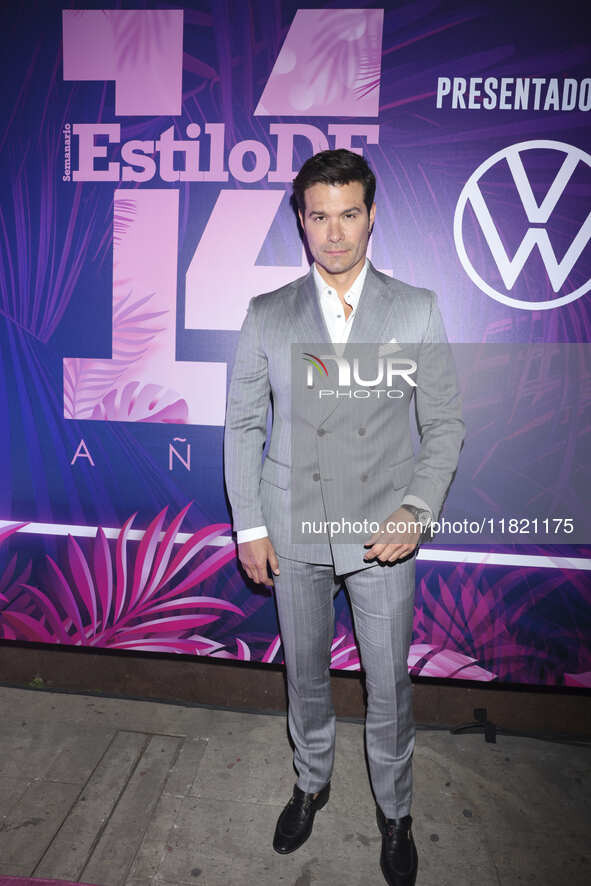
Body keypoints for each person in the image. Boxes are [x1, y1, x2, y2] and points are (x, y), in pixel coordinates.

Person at [224, 149, 464, 886]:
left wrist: (415, 510)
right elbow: (241, 426)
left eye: (348, 214)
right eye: (318, 215)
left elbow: (446, 423)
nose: (334, 233)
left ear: (370, 216)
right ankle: (311, 783)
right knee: (305, 676)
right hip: (293, 526)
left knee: (387, 684)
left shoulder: (414, 307)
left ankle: (395, 814)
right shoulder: (267, 313)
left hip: (378, 536)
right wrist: (250, 527)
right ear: (301, 220)